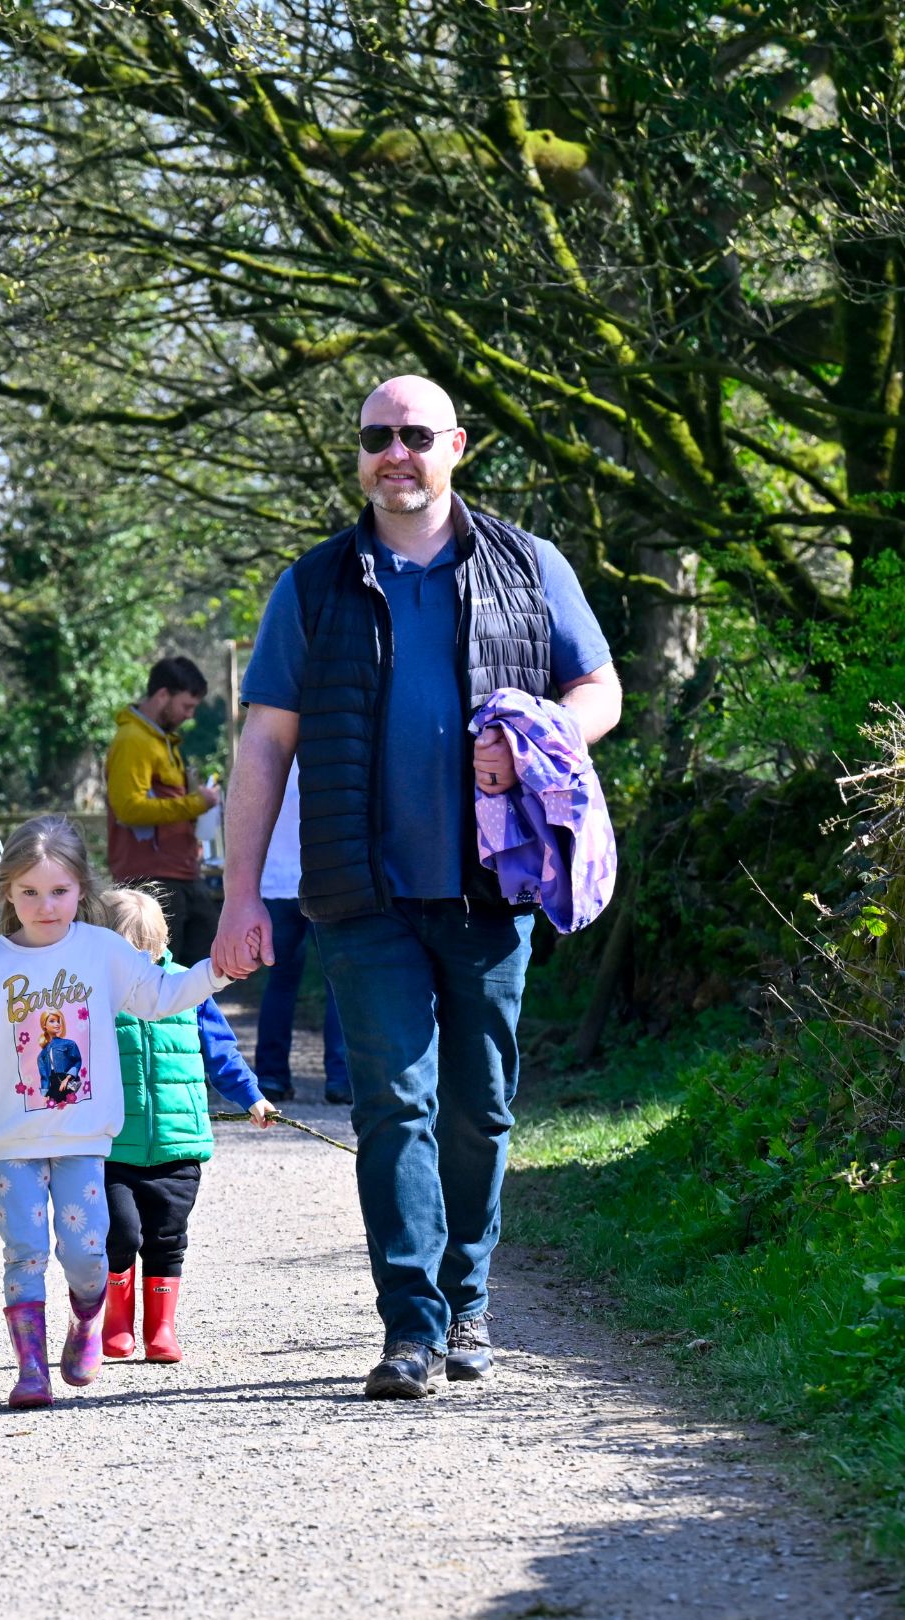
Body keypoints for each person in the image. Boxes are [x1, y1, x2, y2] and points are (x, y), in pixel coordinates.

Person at [211, 375, 623, 1401]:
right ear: (359, 453)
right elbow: (264, 740)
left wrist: (540, 738)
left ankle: (468, 1295)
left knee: (480, 1110)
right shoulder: (313, 585)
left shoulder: (532, 567)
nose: (394, 453)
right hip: (362, 895)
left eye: (415, 436)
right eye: (375, 437)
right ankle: (410, 1325)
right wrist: (241, 896)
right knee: (394, 1105)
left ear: (458, 447)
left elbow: (600, 686)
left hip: (495, 889)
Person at [0, 817, 228, 1409]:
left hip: (84, 1138)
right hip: (14, 1140)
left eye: (59, 892)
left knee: (87, 1254)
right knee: (24, 1250)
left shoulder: (102, 951)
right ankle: (31, 1370)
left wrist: (218, 969)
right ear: (8, 893)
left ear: (82, 891)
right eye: (30, 892)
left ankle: (87, 1317)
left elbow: (160, 996)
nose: (45, 906)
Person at [97, 888, 275, 1364]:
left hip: (179, 1145)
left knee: (167, 1238)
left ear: (161, 944)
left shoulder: (186, 989)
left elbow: (222, 1055)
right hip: (112, 1149)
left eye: (146, 950)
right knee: (121, 1234)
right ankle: (116, 1321)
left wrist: (252, 1097)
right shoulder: (92, 995)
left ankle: (161, 1328)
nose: (138, 964)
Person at [105, 655, 220, 954]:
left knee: (202, 967)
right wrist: (196, 803)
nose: (190, 715)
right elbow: (128, 809)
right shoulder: (132, 739)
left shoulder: (162, 741)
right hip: (151, 879)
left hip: (180, 873)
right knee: (159, 979)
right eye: (186, 706)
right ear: (162, 695)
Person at [254, 761, 351, 1105]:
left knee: (279, 984)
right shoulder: (329, 747)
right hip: (325, 881)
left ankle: (271, 1075)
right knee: (340, 984)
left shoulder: (269, 750)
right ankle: (341, 1078)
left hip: (276, 882)